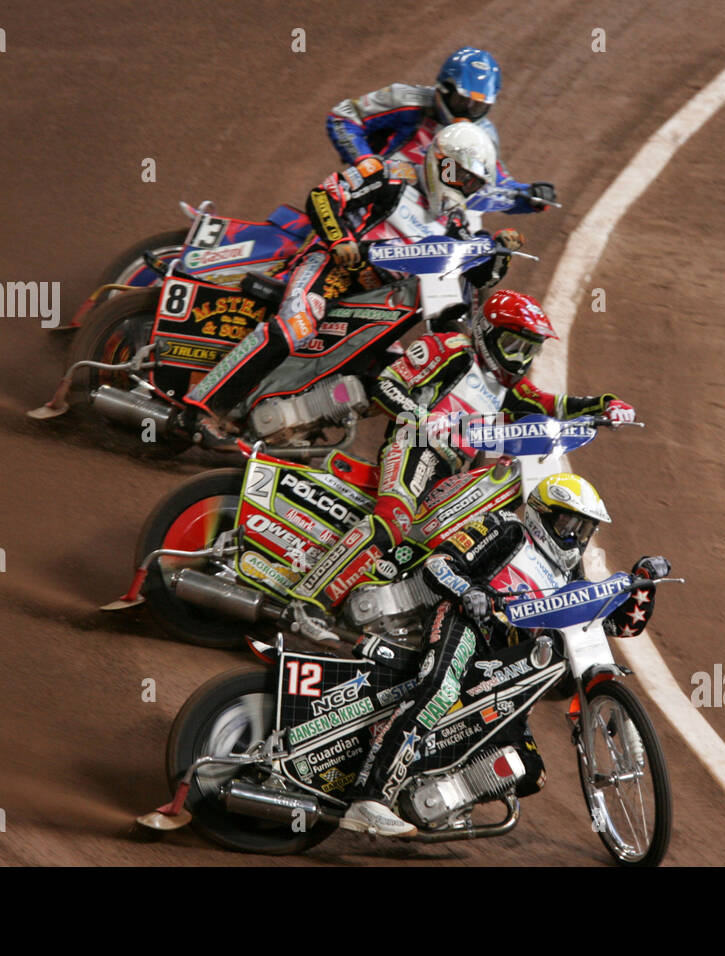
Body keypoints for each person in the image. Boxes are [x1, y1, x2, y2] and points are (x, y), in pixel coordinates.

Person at [341, 473, 673, 836]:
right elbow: (439, 564)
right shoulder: (507, 529)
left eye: (584, 529)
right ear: (542, 515)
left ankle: (433, 797)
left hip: (511, 664)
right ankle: (368, 799)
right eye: (568, 524)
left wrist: (644, 585)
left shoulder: (570, 573)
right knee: (439, 689)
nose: (575, 537)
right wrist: (470, 591)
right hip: (467, 624)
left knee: (528, 769)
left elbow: (616, 627)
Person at [286, 288, 635, 612]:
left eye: (529, 350)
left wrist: (605, 405)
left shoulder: (506, 387)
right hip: (417, 445)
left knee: (452, 543)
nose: (519, 357)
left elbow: (553, 404)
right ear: (488, 331)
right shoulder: (451, 347)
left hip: (453, 471)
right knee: (394, 519)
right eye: (513, 345)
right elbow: (387, 386)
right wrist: (422, 419)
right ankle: (307, 602)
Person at [182, 122, 522, 445]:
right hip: (332, 268)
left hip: (378, 299)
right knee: (295, 327)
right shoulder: (388, 173)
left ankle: (284, 426)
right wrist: (339, 239)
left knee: (394, 376)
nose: (461, 185)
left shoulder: (456, 219)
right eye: (456, 175)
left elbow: (476, 273)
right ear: (437, 160)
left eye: (471, 183)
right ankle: (201, 407)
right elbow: (323, 196)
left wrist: (498, 252)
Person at [326, 47, 556, 216]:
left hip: (434, 219)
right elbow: (343, 116)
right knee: (328, 240)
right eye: (461, 101)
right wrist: (365, 162)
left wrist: (530, 195)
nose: (467, 113)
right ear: (443, 89)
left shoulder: (483, 135)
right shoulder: (405, 99)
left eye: (478, 107)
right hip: (373, 197)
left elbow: (494, 184)